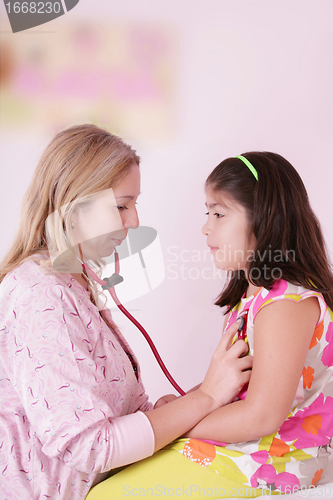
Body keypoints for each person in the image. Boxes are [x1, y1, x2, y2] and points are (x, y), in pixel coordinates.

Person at [0, 124, 252, 500]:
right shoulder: (41, 295)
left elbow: (107, 419)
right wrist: (205, 398)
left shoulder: (75, 283)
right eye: (121, 205)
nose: (134, 221)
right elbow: (89, 448)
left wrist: (169, 411)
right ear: (72, 205)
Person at [87, 152, 333, 499]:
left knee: (108, 496)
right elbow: (237, 386)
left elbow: (260, 415)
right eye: (208, 213)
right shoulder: (255, 297)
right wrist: (185, 405)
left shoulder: (286, 306)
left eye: (219, 213)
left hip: (276, 462)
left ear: (266, 219)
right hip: (244, 451)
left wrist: (179, 425)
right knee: (108, 478)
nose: (205, 227)